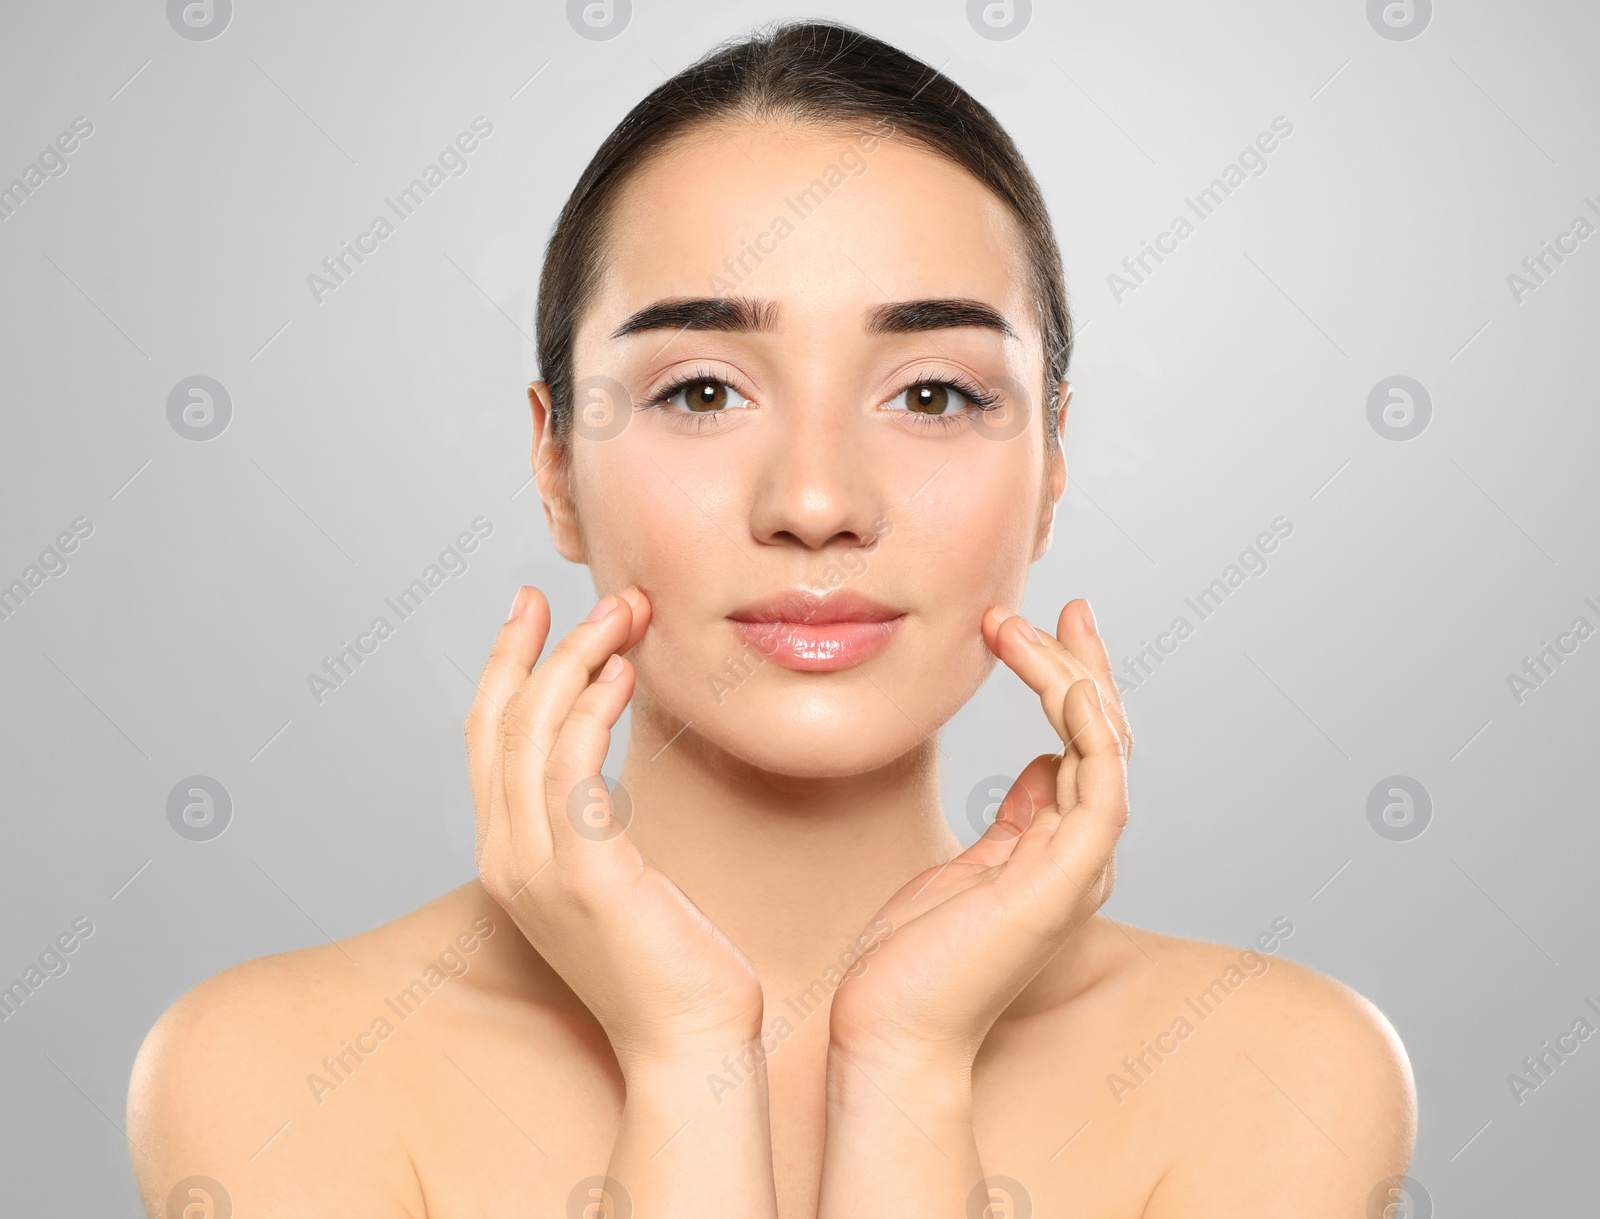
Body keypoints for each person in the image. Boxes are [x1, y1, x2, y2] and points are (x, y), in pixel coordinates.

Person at [128, 20, 1414, 1217]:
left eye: (930, 396)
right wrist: (686, 1057)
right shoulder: (273, 1068)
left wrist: (904, 1067)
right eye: (699, 390)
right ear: (553, 464)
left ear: (1054, 467)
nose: (815, 502)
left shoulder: (1283, 1070)